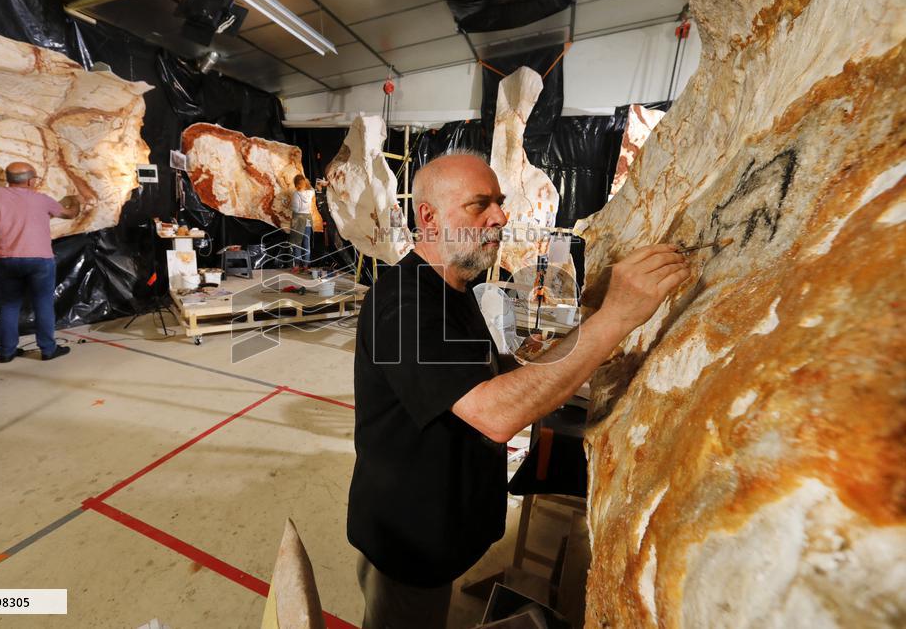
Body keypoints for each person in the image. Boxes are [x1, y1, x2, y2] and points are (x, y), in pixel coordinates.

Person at [348, 152, 690, 628]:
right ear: (428, 216)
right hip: (409, 543)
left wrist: (588, 334)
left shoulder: (455, 289)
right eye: (479, 205)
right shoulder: (404, 306)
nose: (501, 217)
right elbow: (495, 411)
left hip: (441, 530)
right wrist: (615, 319)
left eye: (500, 203)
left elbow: (504, 381)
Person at [0, 162, 83, 362]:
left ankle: (6, 352)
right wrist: (76, 201)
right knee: (43, 304)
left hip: (7, 258)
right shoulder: (42, 199)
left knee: (9, 305)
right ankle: (48, 349)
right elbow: (70, 213)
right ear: (31, 180)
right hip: (40, 260)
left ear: (8, 179)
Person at [289, 175, 314, 272]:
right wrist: (308, 183)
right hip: (307, 221)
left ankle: (296, 266)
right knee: (306, 244)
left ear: (296, 184)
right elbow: (313, 190)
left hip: (298, 221)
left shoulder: (296, 194)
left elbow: (296, 209)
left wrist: (289, 205)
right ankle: (306, 266)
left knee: (297, 244)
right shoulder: (309, 193)